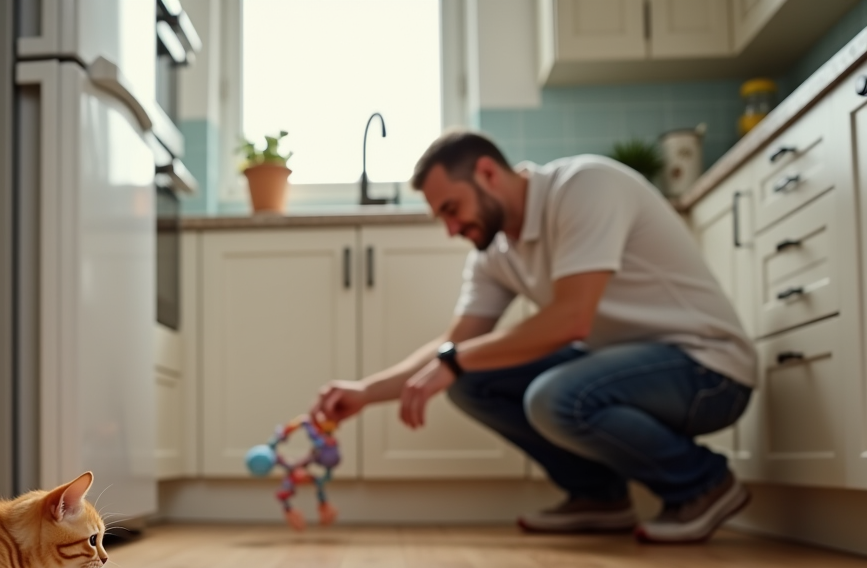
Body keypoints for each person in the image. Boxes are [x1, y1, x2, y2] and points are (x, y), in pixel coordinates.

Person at [311, 130, 755, 544]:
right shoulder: (495, 254)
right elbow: (455, 344)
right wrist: (365, 392)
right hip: (626, 368)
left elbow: (571, 319)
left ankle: (703, 484)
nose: (450, 229)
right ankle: (600, 496)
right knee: (469, 380)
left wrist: (452, 360)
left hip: (708, 372)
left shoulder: (583, 187)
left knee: (551, 395)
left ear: (487, 173)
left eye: (451, 209)